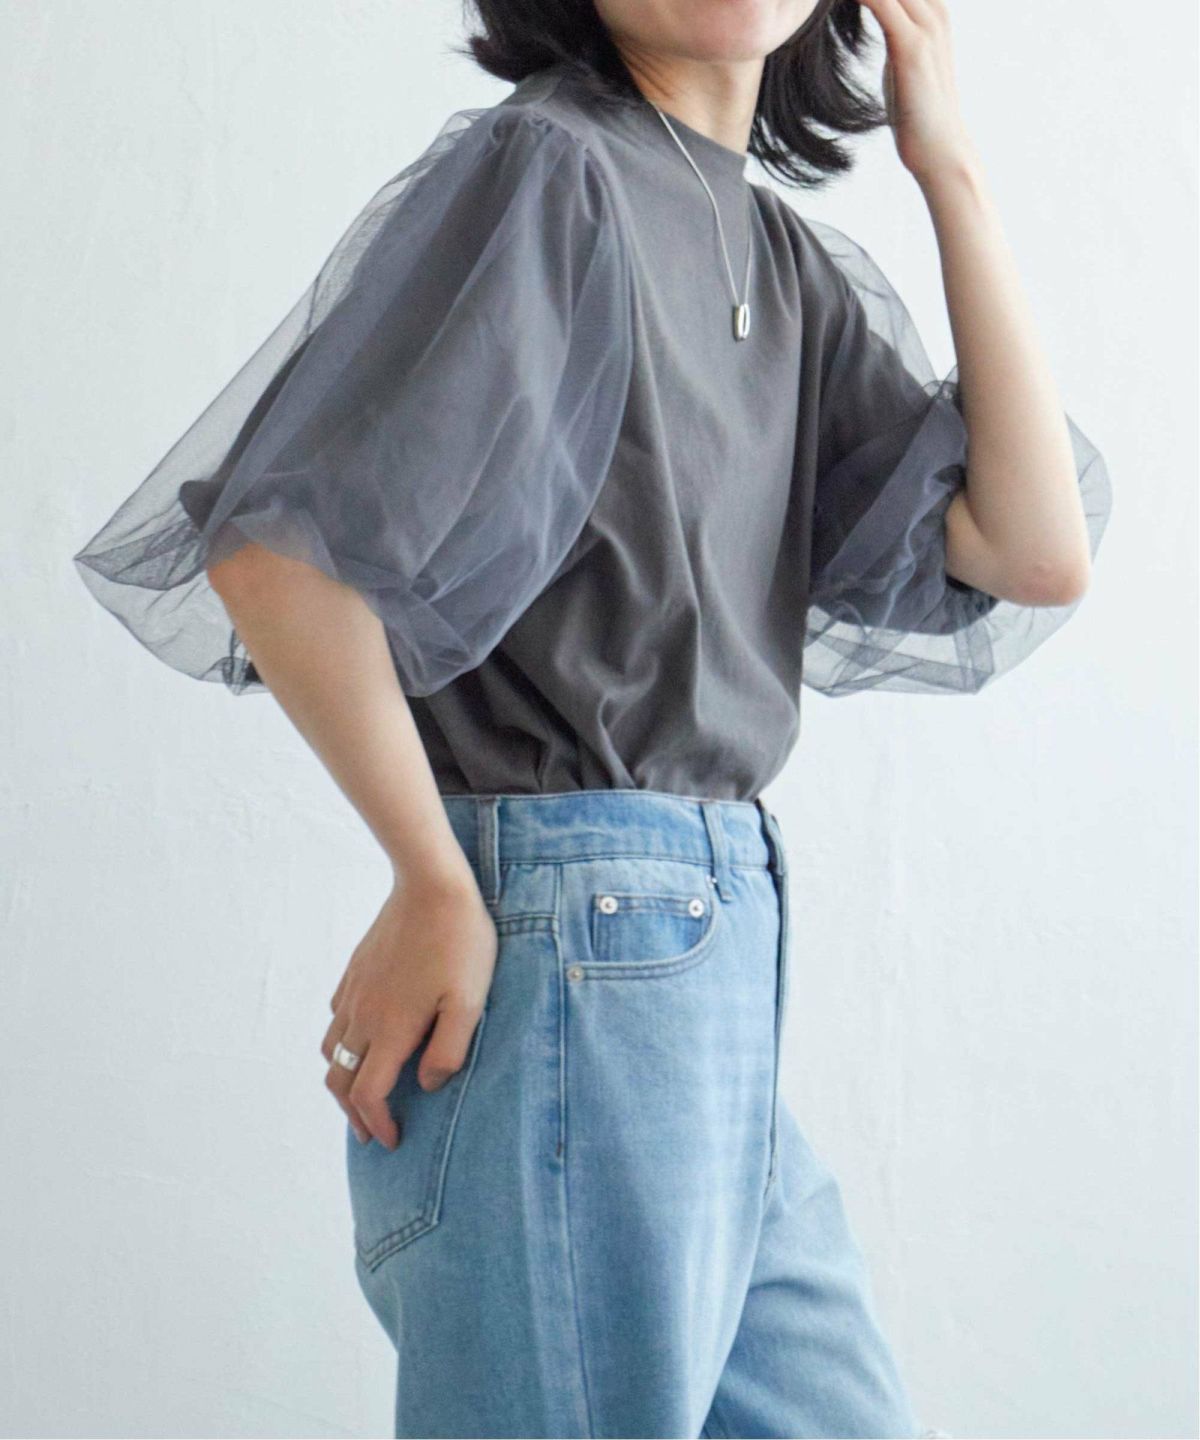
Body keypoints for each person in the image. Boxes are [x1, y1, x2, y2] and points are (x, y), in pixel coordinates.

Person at [72, 1, 1111, 1436]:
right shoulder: (551, 171)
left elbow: (1034, 551)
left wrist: (951, 167)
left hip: (709, 974)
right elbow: (278, 556)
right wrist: (436, 880)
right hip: (581, 948)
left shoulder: (782, 259)